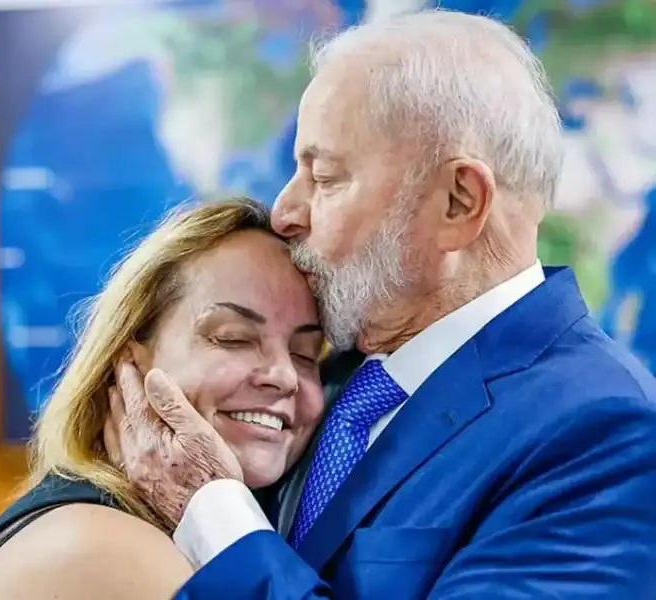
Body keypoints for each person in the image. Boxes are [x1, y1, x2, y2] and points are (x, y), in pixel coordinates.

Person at [107, 9, 656, 599]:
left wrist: (214, 516)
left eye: (324, 177)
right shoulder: (322, 385)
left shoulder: (608, 437)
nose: (284, 212)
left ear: (458, 203)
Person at [0, 197, 326, 600]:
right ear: (129, 363)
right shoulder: (106, 551)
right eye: (233, 338)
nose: (285, 376)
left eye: (305, 354)